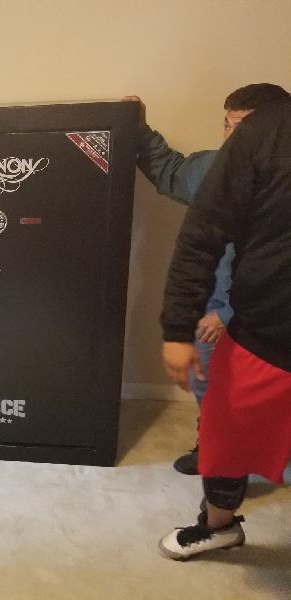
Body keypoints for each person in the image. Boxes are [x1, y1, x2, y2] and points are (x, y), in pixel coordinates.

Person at [156, 83, 291, 560]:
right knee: (225, 435)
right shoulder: (265, 134)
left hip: (248, 317)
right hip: (265, 331)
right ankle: (220, 525)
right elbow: (201, 231)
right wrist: (178, 328)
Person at [129, 86, 270, 475]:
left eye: (242, 129)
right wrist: (138, 128)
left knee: (259, 394)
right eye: (226, 126)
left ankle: (246, 458)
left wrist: (227, 314)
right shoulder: (213, 169)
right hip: (212, 307)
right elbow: (170, 171)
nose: (230, 138)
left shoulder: (281, 185)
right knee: (208, 385)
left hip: (262, 315)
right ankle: (216, 448)